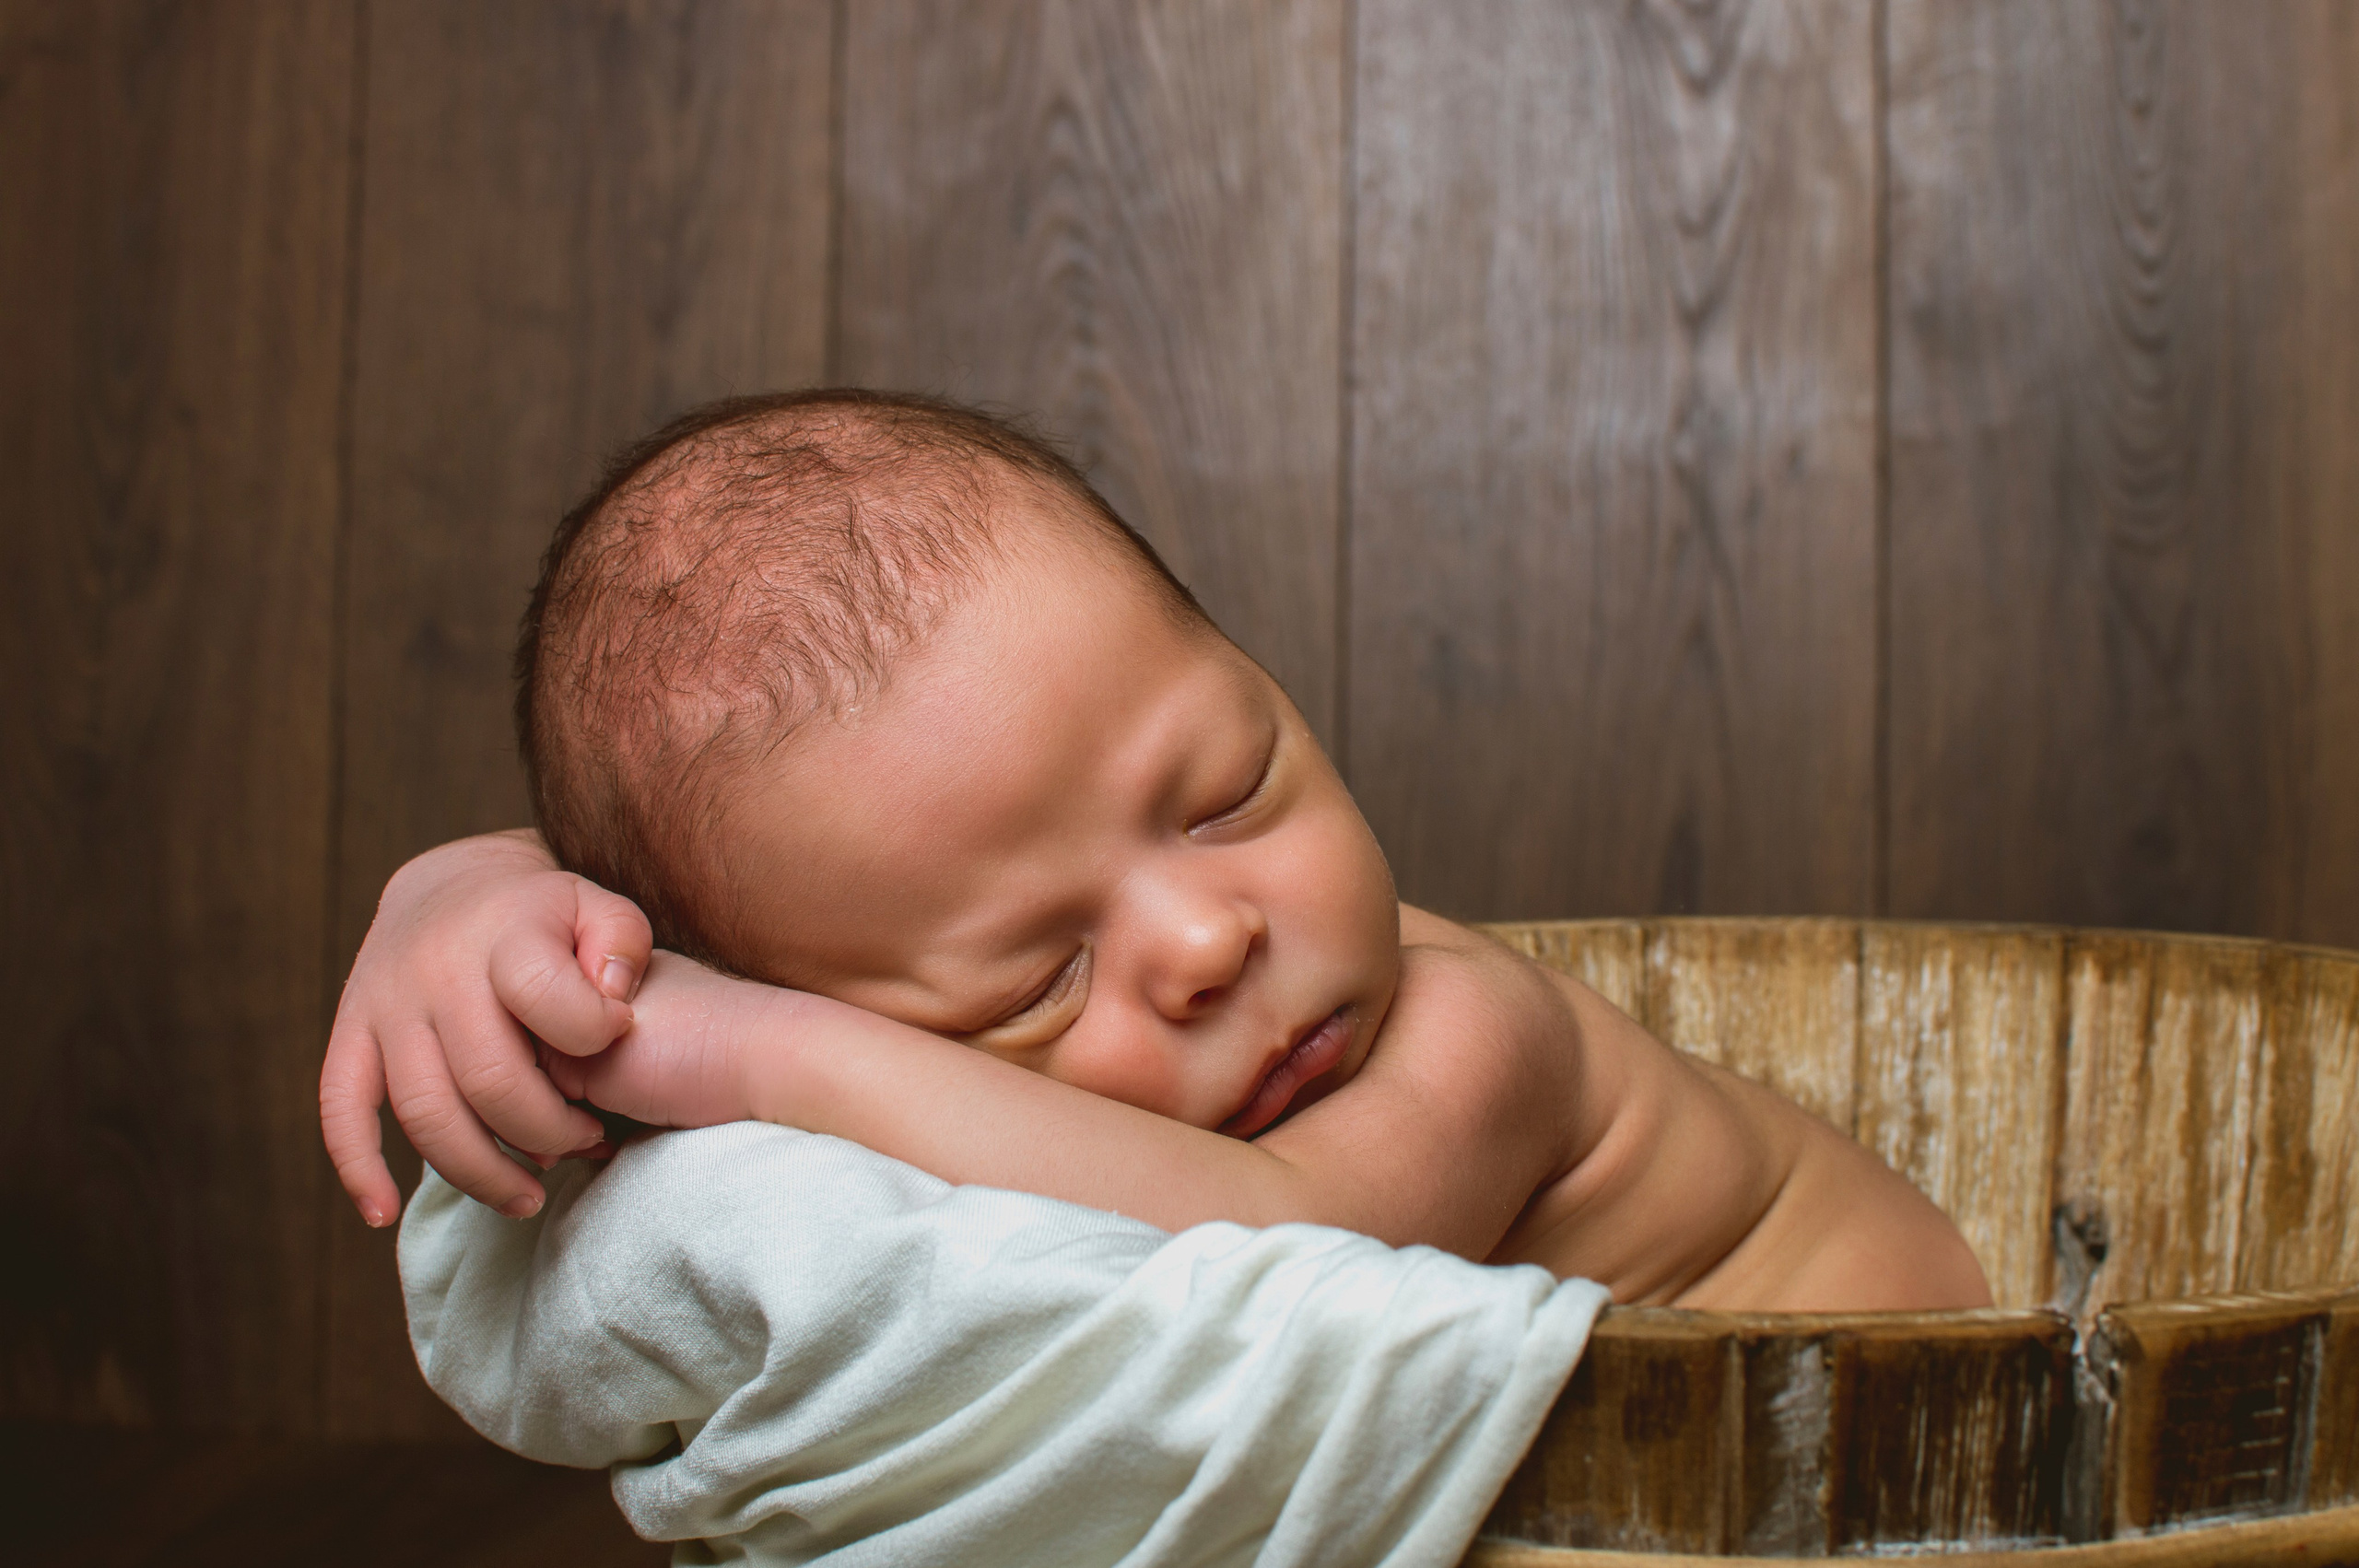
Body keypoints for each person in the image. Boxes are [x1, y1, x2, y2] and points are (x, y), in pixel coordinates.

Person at [323, 388, 1988, 1315]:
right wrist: (461, 895)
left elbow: (1266, 1249)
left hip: (1910, 1468)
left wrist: (736, 1040)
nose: (1207, 941)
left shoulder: (1479, 1042)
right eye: (1042, 978)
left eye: (1227, 792)